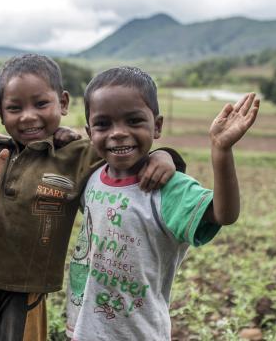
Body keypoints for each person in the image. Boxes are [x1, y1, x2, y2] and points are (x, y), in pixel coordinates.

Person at [0, 54, 186, 340]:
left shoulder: (77, 155)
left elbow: (127, 148)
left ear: (62, 102)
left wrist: (164, 155)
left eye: (41, 104)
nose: (28, 116)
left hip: (27, 289)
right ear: (0, 112)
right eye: (14, 107)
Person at [65, 67, 259, 340]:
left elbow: (223, 214)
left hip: (139, 332)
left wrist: (221, 150)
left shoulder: (169, 188)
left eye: (133, 121)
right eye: (103, 124)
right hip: (85, 329)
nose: (118, 133)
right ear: (89, 131)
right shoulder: (93, 176)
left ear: (156, 126)